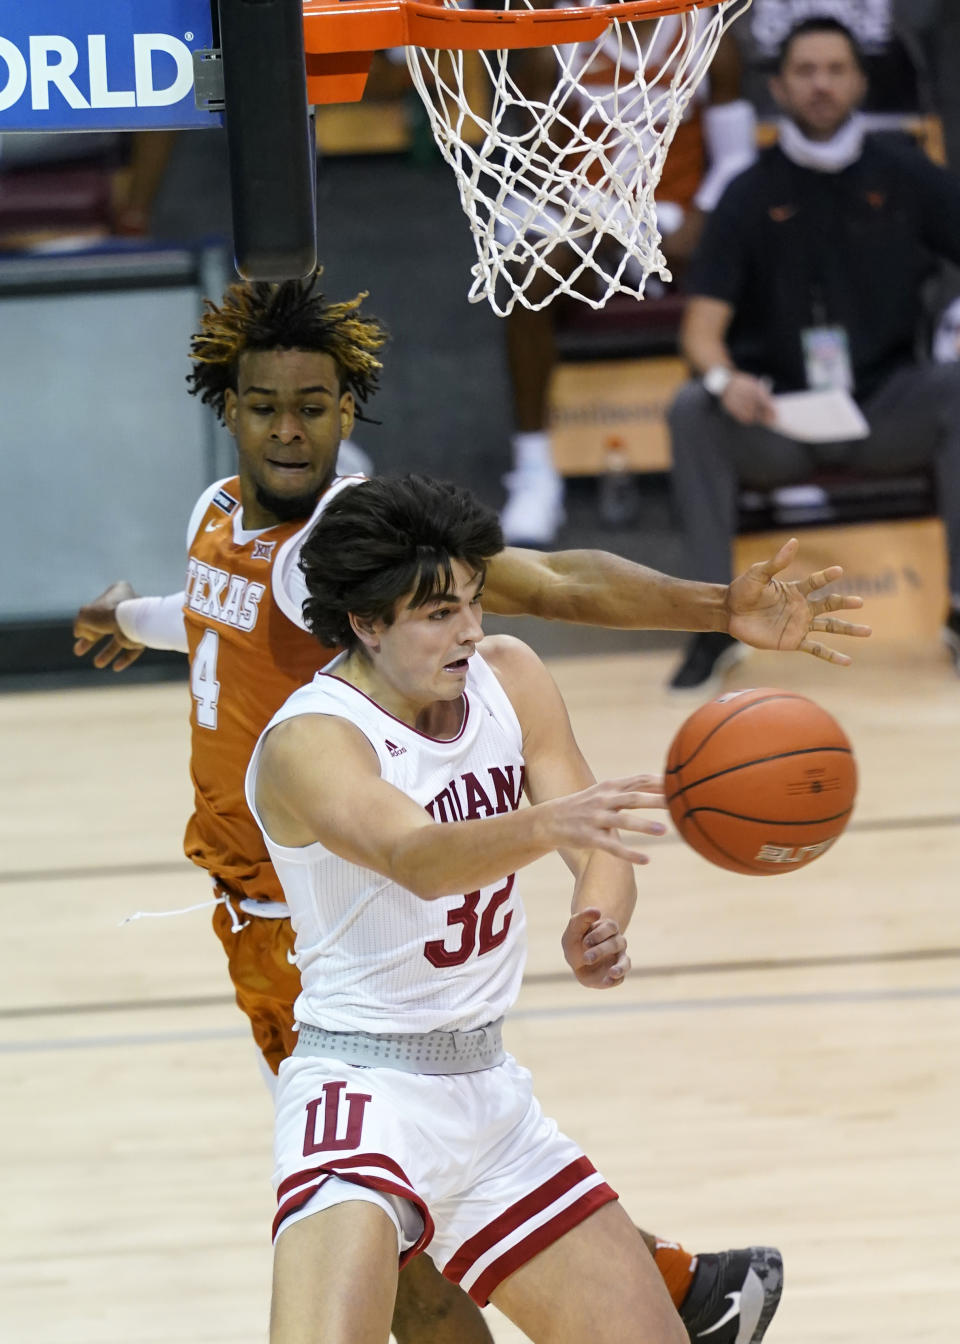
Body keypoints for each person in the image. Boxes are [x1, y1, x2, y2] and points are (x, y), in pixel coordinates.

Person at [73, 273, 866, 1343]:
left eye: (314, 404)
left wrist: (717, 607)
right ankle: (662, 1276)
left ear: (350, 409)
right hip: (285, 936)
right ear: (229, 409)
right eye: (266, 405)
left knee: (422, 1276)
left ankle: (664, 1280)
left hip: (329, 944)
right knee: (409, 1256)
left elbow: (558, 585)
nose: (290, 427)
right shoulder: (222, 518)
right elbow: (225, 610)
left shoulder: (373, 546)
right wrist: (135, 614)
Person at [244, 472, 763, 1344]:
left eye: (475, 602)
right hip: (363, 1093)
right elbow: (418, 857)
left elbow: (596, 842)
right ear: (367, 622)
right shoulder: (313, 740)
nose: (473, 630)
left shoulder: (509, 678)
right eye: (439, 613)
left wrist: (597, 918)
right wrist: (545, 821)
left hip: (488, 1097)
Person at [666, 16, 960, 692]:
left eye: (835, 69)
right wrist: (722, 377)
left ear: (859, 80)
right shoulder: (747, 192)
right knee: (692, 408)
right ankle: (714, 626)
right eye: (805, 71)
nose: (821, 84)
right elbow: (700, 329)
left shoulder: (908, 171)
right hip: (781, 415)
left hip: (888, 405)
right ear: (779, 86)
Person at [497, 23, 758, 547]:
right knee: (526, 277)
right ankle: (534, 469)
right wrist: (604, 219)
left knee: (760, 255)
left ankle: (759, 452)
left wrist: (704, 214)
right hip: (586, 214)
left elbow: (736, 160)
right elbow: (536, 168)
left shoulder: (708, 37)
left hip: (678, 218)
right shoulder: (559, 38)